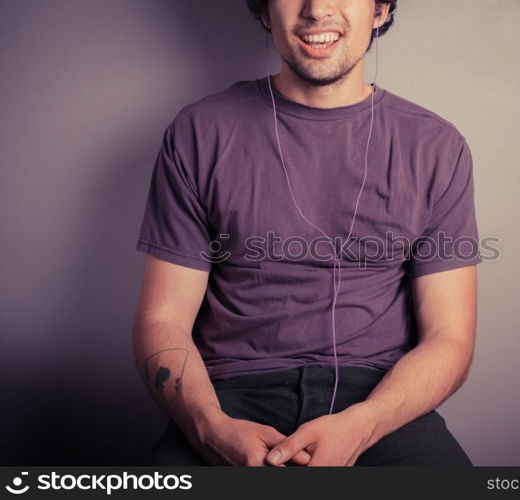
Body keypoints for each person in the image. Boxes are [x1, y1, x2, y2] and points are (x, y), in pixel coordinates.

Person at [132, 0, 482, 467]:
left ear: (380, 10)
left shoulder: (437, 147)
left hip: (379, 398)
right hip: (228, 399)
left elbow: (450, 338)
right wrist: (210, 427)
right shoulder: (200, 132)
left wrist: (364, 424)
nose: (316, 9)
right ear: (263, 11)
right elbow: (164, 318)